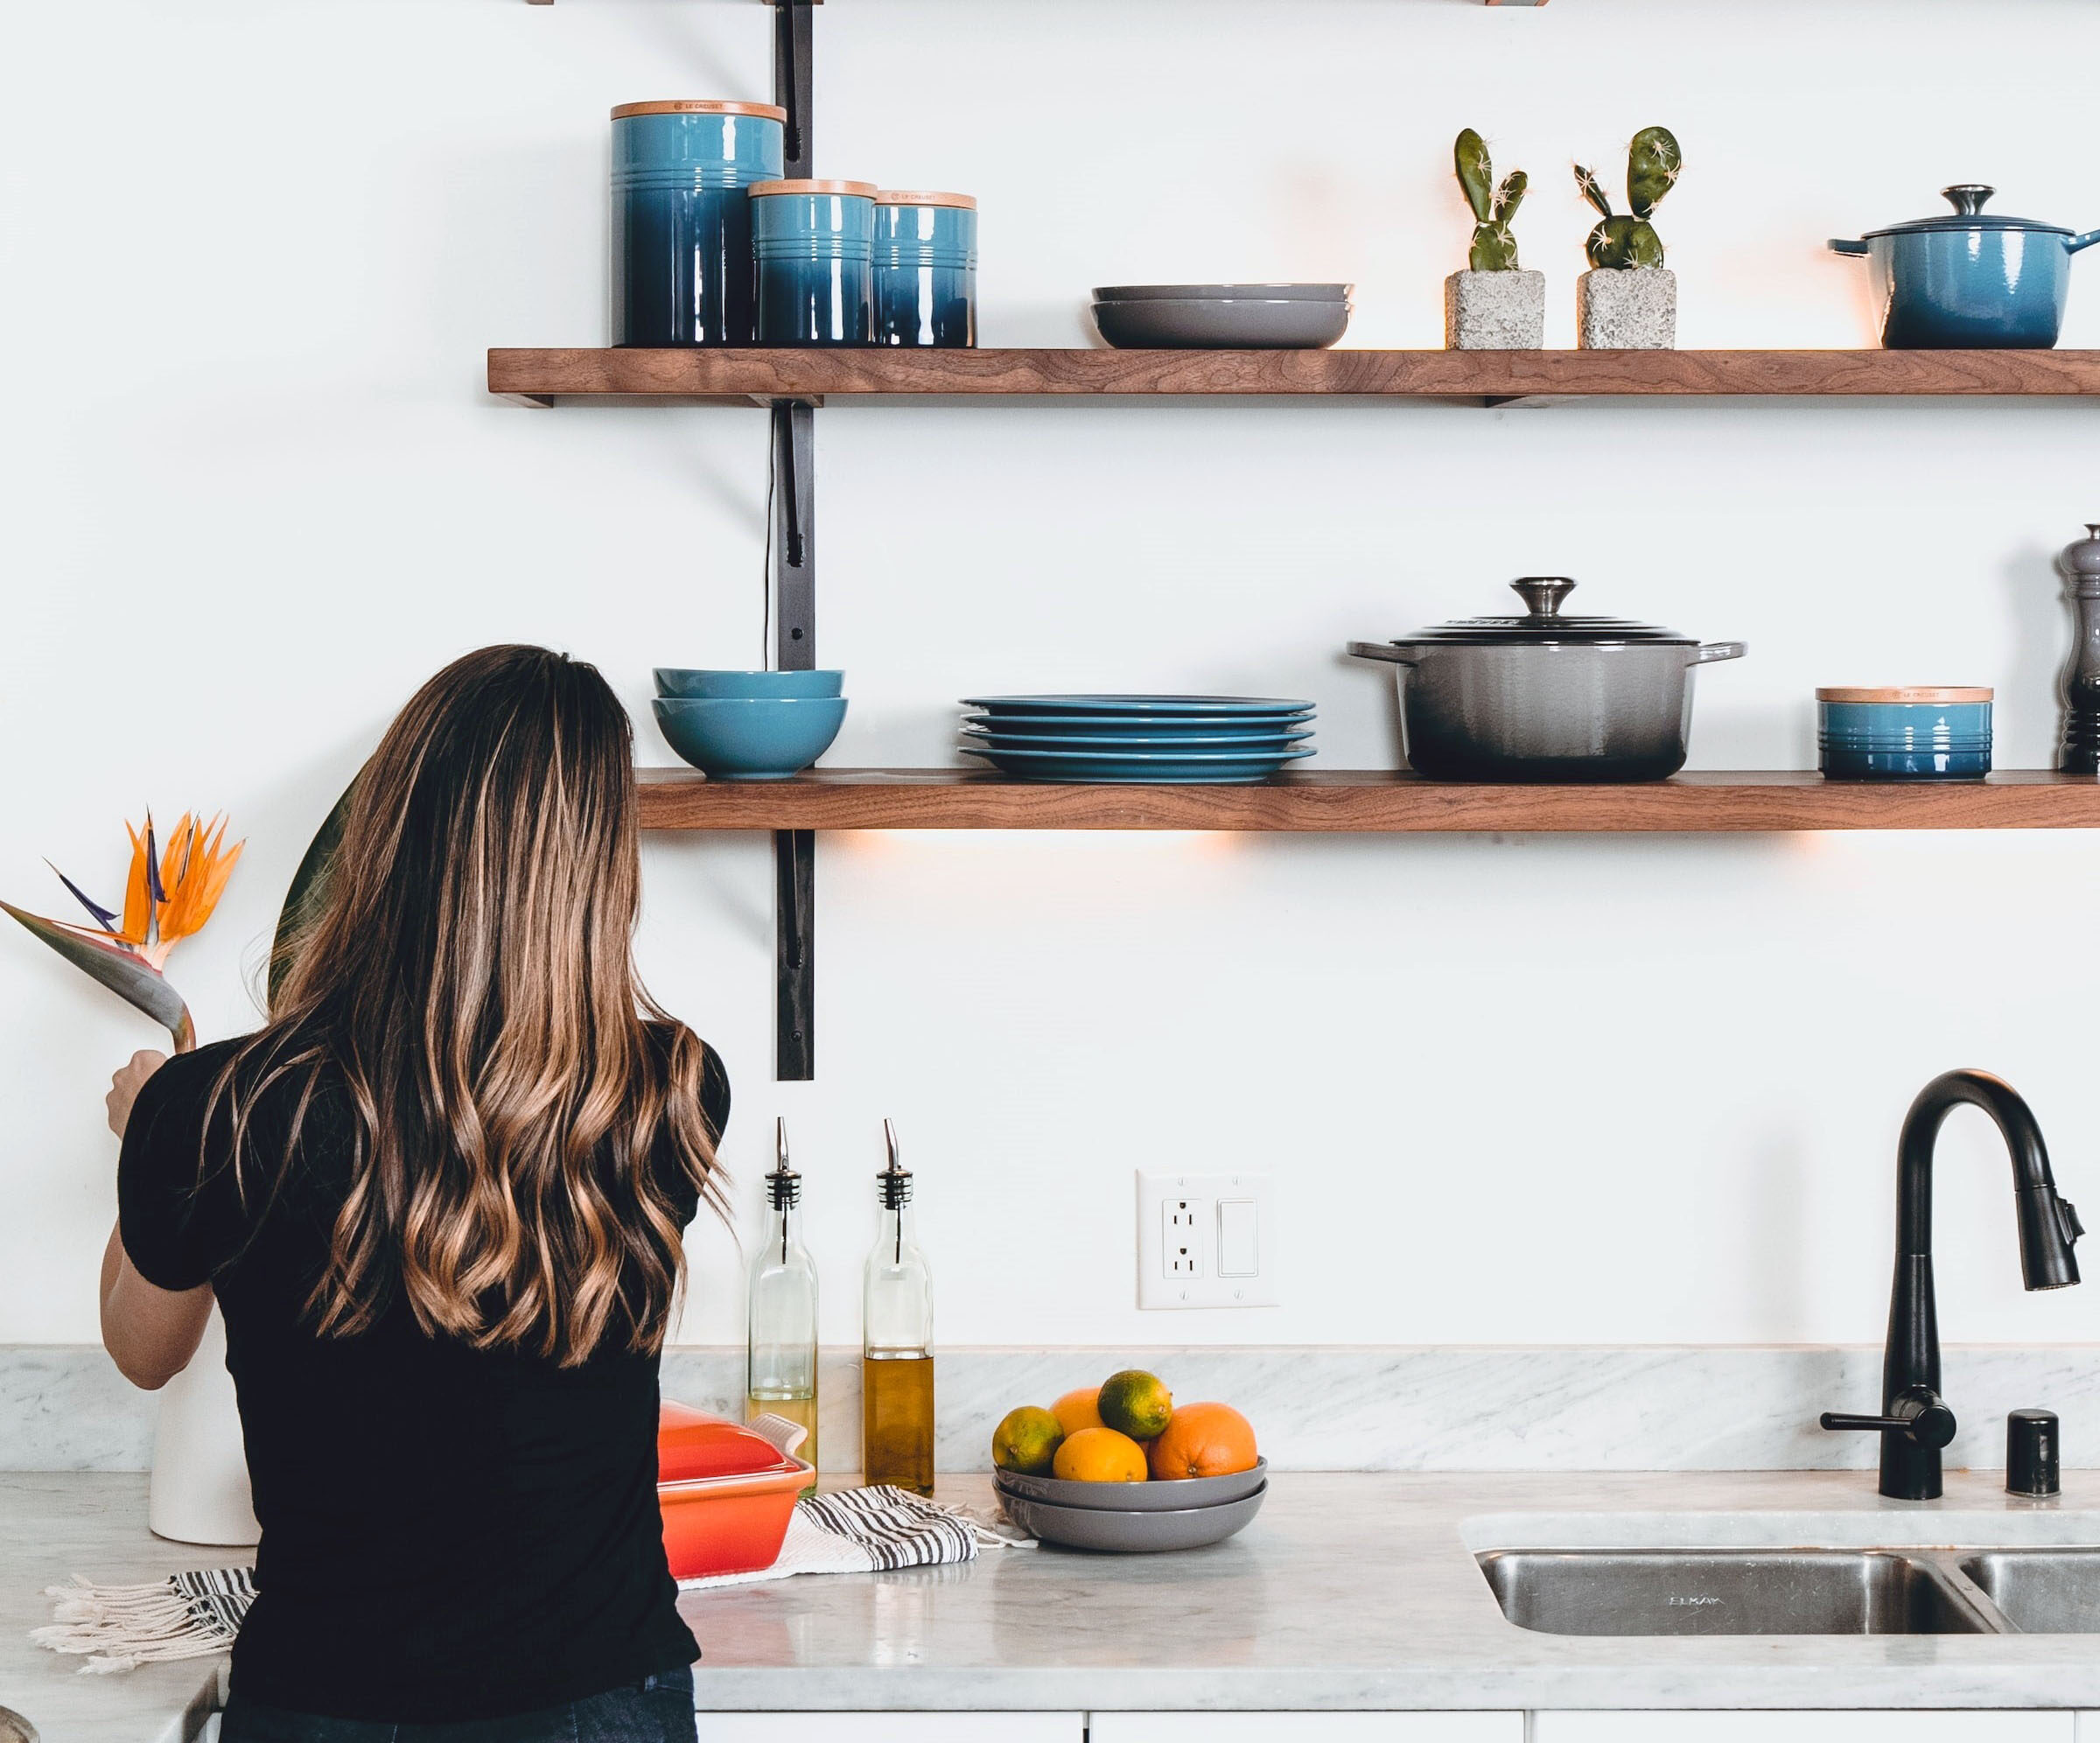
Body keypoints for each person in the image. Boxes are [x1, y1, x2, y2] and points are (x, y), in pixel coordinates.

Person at [100, 645, 726, 1742]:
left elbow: (142, 1348)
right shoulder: (667, 1089)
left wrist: (146, 1131)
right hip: (599, 1697)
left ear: (382, 831)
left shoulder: (221, 1104)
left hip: (321, 1697)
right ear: (600, 867)